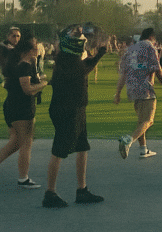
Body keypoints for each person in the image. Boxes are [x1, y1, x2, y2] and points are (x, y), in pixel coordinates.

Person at [43, 24, 107, 208]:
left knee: (82, 147)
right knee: (59, 151)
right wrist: (100, 52)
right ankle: (50, 193)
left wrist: (99, 53)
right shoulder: (69, 62)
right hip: (67, 110)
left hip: (76, 108)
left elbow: (85, 64)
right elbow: (84, 68)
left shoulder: (67, 58)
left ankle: (82, 189)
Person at [0, 31, 48, 189]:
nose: (38, 50)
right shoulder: (23, 65)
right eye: (35, 48)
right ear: (29, 50)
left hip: (13, 106)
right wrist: (44, 85)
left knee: (17, 141)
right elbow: (28, 89)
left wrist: (41, 80)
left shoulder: (25, 63)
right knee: (26, 143)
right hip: (21, 108)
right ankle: (23, 178)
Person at [115, 28, 162, 159]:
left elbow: (124, 73)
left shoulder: (130, 49)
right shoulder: (150, 48)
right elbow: (158, 71)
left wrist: (118, 93)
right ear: (152, 37)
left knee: (141, 120)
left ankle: (144, 149)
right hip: (145, 88)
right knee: (148, 120)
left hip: (132, 88)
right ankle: (128, 140)